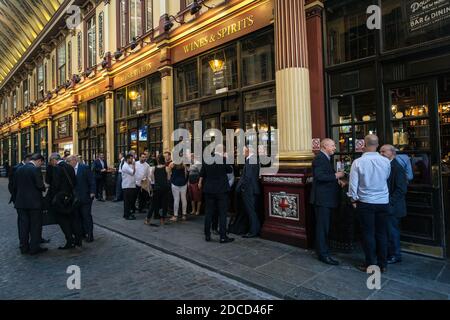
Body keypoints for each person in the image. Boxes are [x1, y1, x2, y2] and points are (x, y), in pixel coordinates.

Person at [348, 135, 391, 273]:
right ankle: (382, 264)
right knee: (382, 233)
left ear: (364, 145)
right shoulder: (386, 162)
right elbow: (386, 178)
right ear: (377, 145)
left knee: (368, 233)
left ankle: (370, 264)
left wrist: (353, 199)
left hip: (366, 202)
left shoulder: (358, 162)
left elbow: (353, 184)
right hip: (383, 201)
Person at [310, 139, 345, 265]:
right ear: (325, 146)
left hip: (326, 199)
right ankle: (323, 254)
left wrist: (337, 181)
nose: (335, 148)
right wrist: (336, 176)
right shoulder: (320, 158)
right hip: (322, 199)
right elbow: (319, 177)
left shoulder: (325, 158)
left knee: (325, 227)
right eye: (333, 145)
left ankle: (324, 250)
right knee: (322, 228)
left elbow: (325, 176)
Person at [12, 154, 47, 255]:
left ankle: (24, 247)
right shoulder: (35, 170)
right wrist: (44, 187)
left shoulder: (19, 169)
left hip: (21, 202)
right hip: (34, 203)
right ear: (39, 161)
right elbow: (40, 185)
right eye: (41, 163)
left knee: (23, 225)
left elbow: (14, 186)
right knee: (35, 225)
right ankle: (34, 248)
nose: (41, 165)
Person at [199, 145, 234, 243]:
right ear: (222, 151)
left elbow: (202, 173)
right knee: (222, 213)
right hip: (221, 190)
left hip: (209, 190)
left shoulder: (207, 159)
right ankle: (223, 237)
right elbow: (230, 170)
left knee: (208, 213)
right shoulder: (223, 159)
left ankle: (207, 235)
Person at [48, 153, 83, 250]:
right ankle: (78, 240)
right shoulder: (70, 167)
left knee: (63, 220)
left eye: (51, 161)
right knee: (73, 219)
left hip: (61, 199)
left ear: (54, 160)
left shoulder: (57, 168)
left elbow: (55, 185)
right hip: (70, 197)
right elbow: (74, 182)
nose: (51, 163)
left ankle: (69, 240)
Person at [380, 145, 408, 264]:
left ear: (392, 153)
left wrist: (389, 201)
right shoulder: (386, 165)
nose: (380, 153)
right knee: (387, 230)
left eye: (383, 151)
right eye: (380, 151)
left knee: (392, 231)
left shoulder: (397, 168)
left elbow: (401, 189)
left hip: (393, 206)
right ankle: (389, 253)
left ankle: (396, 255)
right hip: (387, 205)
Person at [68, 155, 96, 243]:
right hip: (75, 198)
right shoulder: (69, 169)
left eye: (68, 162)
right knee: (78, 216)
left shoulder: (84, 168)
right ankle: (82, 233)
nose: (68, 164)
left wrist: (92, 192)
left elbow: (92, 180)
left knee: (86, 215)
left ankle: (90, 234)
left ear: (73, 160)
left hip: (85, 196)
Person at [236, 145, 261, 238]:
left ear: (248, 151)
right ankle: (254, 230)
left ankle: (253, 231)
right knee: (252, 211)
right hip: (252, 189)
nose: (242, 153)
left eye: (243, 151)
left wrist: (243, 188)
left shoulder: (251, 160)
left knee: (251, 211)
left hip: (249, 190)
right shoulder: (253, 159)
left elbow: (248, 177)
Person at [145, 154, 170, 226]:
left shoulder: (153, 168)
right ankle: (163, 220)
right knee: (164, 204)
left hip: (157, 188)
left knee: (153, 204)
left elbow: (152, 179)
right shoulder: (167, 168)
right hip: (165, 188)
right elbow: (168, 178)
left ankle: (147, 219)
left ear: (157, 160)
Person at [122, 154, 137, 220]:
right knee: (127, 202)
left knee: (130, 201)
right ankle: (127, 215)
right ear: (127, 159)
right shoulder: (125, 166)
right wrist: (134, 165)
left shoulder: (129, 165)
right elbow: (133, 172)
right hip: (127, 186)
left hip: (131, 185)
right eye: (131, 159)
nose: (132, 160)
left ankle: (127, 213)